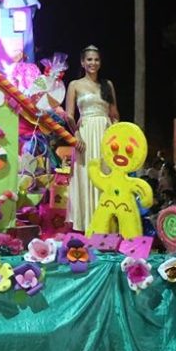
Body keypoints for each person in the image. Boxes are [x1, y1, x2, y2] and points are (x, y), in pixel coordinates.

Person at [64, 45, 119, 232]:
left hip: (106, 134)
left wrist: (115, 134)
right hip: (85, 135)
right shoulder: (75, 85)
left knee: (105, 174)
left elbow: (115, 114)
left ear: (100, 62)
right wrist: (76, 135)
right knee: (87, 174)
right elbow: (69, 115)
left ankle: (106, 224)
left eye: (96, 59)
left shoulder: (107, 85)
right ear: (82, 62)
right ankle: (87, 223)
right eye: (89, 59)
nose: (93, 63)